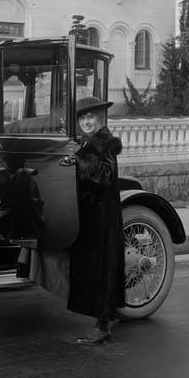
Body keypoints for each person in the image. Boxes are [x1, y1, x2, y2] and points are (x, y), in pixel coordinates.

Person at [66, 96, 125, 345]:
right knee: (95, 268)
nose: (86, 121)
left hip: (103, 218)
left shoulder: (104, 142)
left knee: (103, 269)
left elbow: (106, 174)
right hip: (93, 216)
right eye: (82, 117)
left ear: (100, 118)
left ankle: (103, 326)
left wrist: (79, 156)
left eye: (90, 116)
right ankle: (103, 320)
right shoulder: (89, 142)